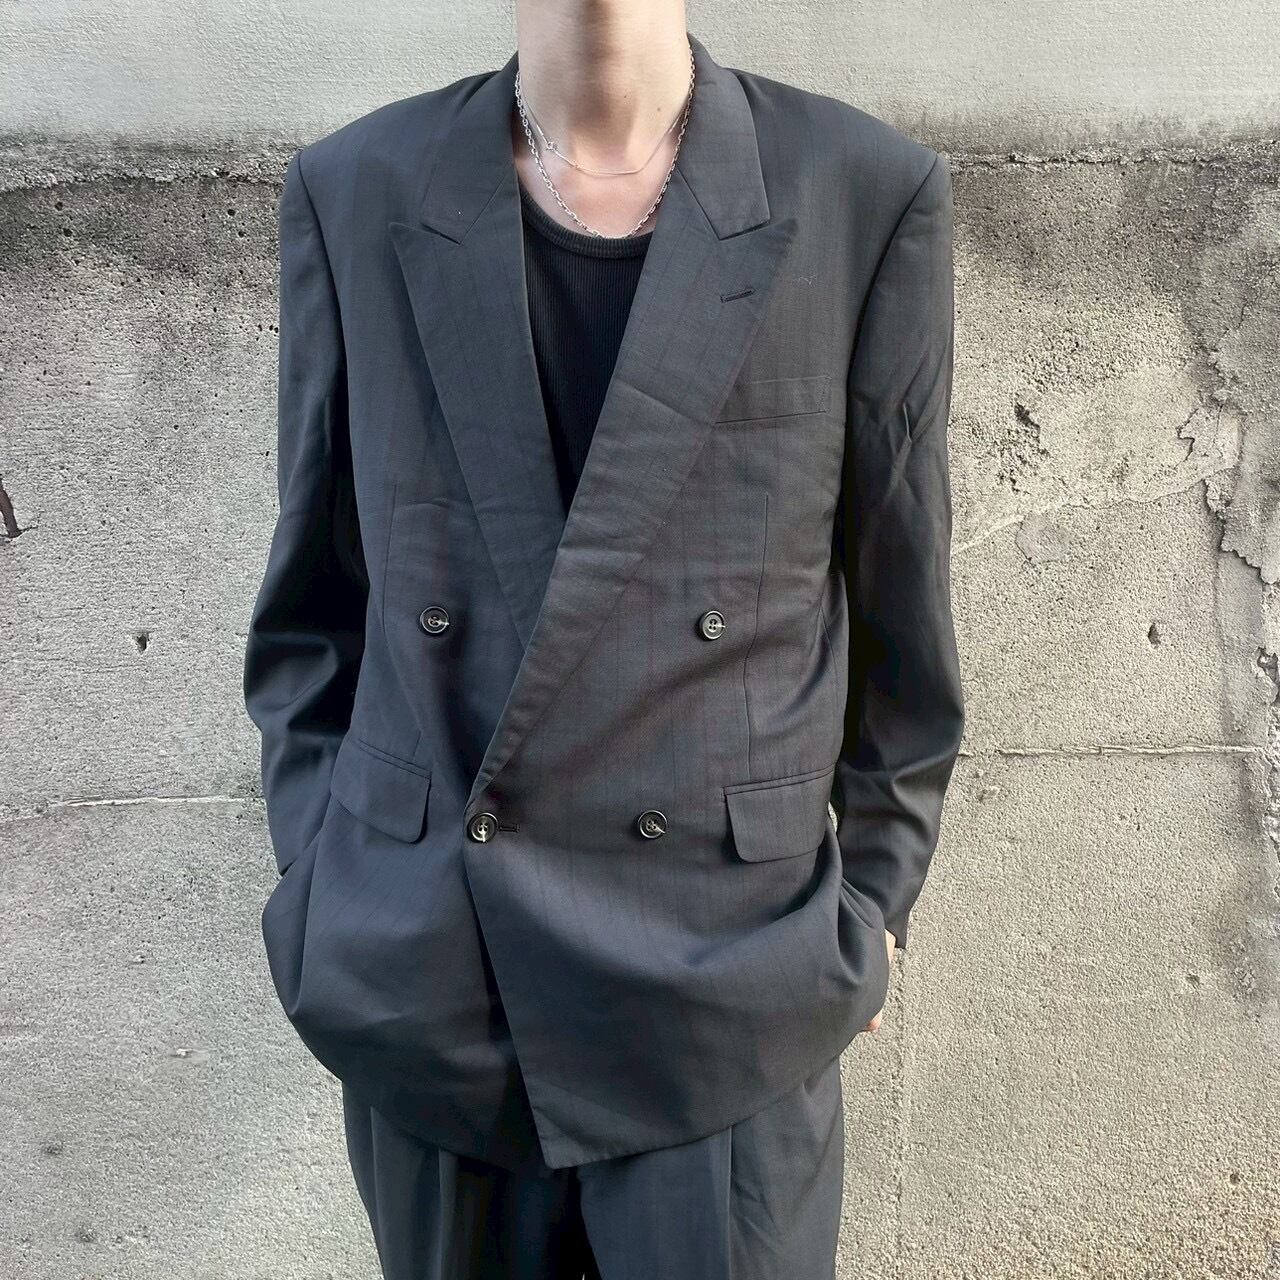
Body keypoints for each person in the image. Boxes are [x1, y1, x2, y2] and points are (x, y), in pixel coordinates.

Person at [242, 3, 964, 1276]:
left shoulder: (856, 191)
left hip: (727, 992)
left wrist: (869, 908)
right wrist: (327, 882)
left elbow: (900, 615)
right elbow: (312, 607)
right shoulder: (356, 190)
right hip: (433, 982)